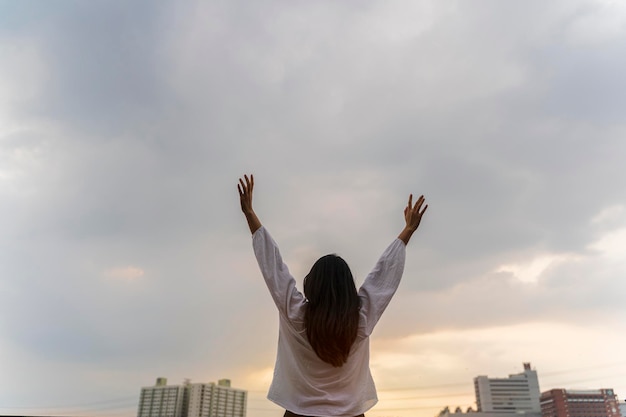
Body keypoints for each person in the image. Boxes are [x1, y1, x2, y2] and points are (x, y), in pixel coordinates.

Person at [238, 174, 427, 417]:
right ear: (349, 287)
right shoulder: (360, 320)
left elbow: (273, 268)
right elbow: (383, 275)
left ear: (312, 284)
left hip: (299, 413)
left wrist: (250, 215)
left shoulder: (296, 314)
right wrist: (408, 230)